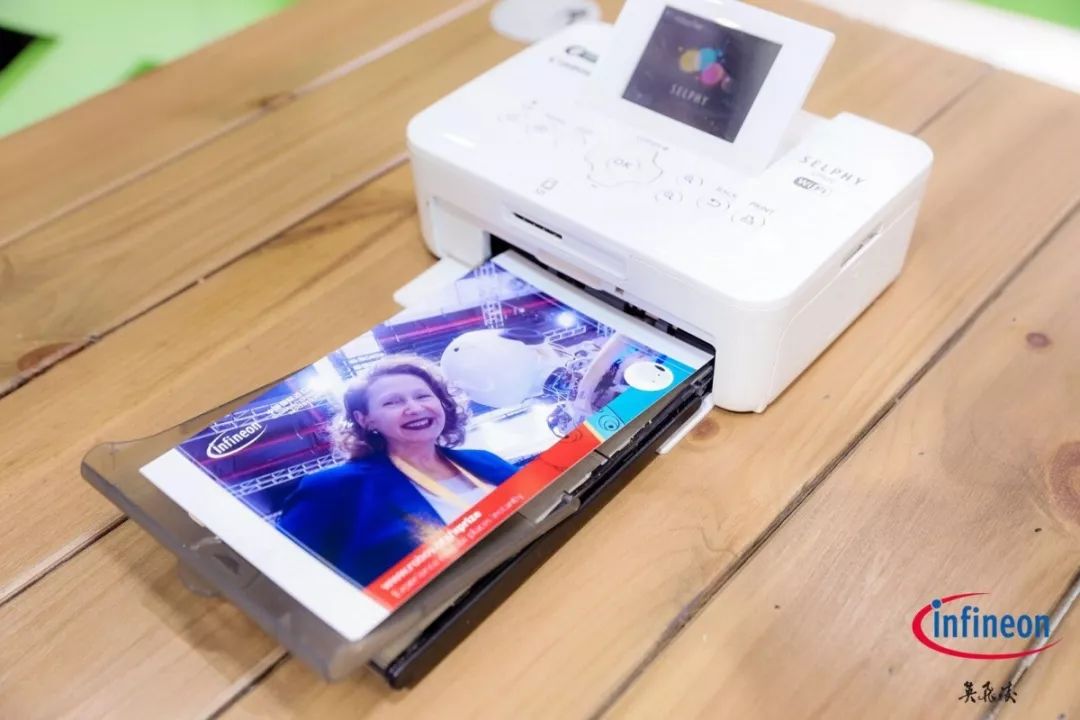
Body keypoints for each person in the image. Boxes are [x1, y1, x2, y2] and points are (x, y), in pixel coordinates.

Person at [278, 356, 518, 587]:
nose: (414, 408)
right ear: (366, 420)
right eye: (392, 402)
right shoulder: (333, 488)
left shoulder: (486, 460)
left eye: (423, 396)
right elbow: (290, 576)